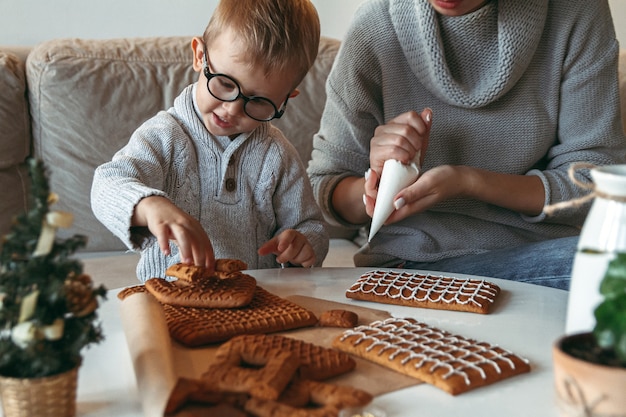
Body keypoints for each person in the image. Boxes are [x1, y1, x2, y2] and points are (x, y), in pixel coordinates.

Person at [307, 0, 626, 289]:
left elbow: (593, 182)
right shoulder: (374, 26)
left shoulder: (576, 11)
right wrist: (377, 184)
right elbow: (323, 189)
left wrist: (467, 182)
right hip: (415, 265)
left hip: (547, 255)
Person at [91, 0, 328, 282]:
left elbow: (310, 226)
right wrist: (149, 204)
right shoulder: (165, 135)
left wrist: (304, 244)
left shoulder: (276, 154)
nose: (232, 109)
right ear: (200, 55)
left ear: (286, 99)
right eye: (226, 84)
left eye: (259, 101)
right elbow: (106, 184)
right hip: (169, 298)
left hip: (252, 299)